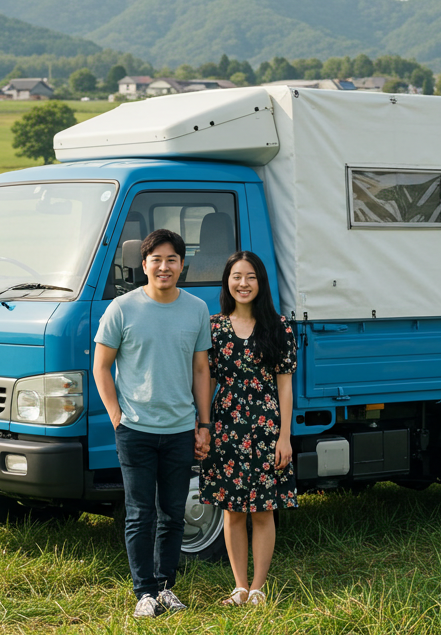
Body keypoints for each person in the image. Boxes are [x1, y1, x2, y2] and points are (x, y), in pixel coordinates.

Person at [93, 228, 213, 618]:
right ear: (143, 264)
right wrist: (115, 415)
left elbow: (200, 370)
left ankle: (165, 588)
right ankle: (143, 591)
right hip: (136, 430)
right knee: (140, 513)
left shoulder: (196, 309)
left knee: (173, 513)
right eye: (156, 259)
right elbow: (101, 366)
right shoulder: (122, 308)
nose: (164, 266)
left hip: (179, 429)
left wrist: (203, 424)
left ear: (182, 266)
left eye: (172, 260)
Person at [199, 250, 297, 606]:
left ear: (261, 283)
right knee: (233, 510)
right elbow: (206, 381)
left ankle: (258, 588)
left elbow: (284, 385)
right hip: (226, 427)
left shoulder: (279, 326)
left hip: (266, 428)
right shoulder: (214, 327)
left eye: (251, 277)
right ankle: (239, 587)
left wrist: (284, 436)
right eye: (237, 276)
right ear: (227, 281)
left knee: (263, 509)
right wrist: (204, 426)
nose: (243, 283)